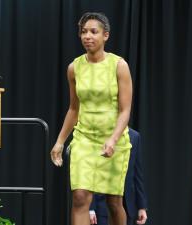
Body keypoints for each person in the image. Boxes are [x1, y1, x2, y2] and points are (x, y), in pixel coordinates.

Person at [50, 12, 133, 225]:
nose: (88, 36)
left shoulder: (119, 65)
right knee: (79, 198)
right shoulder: (74, 68)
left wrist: (113, 139)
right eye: (83, 32)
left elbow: (125, 110)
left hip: (114, 140)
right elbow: (73, 109)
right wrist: (60, 142)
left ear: (105, 35)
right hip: (84, 139)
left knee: (114, 201)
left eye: (93, 32)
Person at [89, 128, 148, 225]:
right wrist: (90, 208)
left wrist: (142, 207)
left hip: (126, 203)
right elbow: (92, 171)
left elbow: (137, 174)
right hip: (102, 203)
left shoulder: (134, 136)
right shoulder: (101, 133)